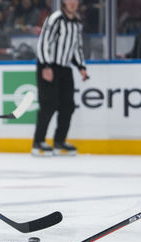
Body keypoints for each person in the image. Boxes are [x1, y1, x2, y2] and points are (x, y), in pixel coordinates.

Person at [31, 0, 89, 156]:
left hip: (65, 68)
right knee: (48, 104)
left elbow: (77, 47)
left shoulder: (77, 22)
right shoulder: (56, 18)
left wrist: (81, 67)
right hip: (49, 66)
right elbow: (43, 42)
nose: (72, 3)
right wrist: (46, 66)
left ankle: (59, 140)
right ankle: (38, 142)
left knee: (68, 106)